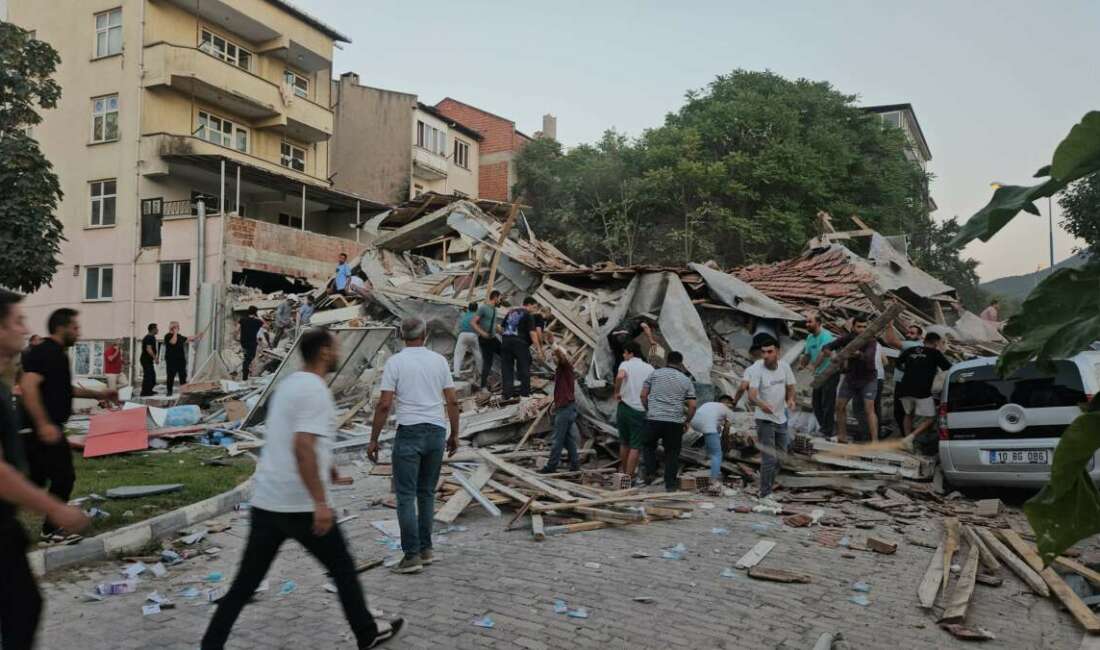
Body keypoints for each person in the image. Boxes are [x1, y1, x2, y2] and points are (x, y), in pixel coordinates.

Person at [201, 329, 403, 649]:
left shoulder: (289, 385)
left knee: (245, 582)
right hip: (301, 507)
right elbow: (302, 446)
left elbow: (297, 439)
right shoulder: (315, 391)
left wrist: (329, 468)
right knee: (342, 567)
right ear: (323, 352)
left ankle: (210, 644)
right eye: (335, 346)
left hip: (267, 502)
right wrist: (320, 502)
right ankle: (366, 632)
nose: (338, 351)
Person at [0, 291, 91, 649]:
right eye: (18, 321)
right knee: (24, 608)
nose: (25, 328)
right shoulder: (42, 355)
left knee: (24, 608)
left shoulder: (12, 377)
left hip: (6, 525)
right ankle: (53, 528)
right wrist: (57, 510)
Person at [368, 317, 460, 575]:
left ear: (400, 334)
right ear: (426, 334)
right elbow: (452, 401)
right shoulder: (439, 361)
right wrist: (455, 434)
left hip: (409, 432)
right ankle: (426, 549)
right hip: (436, 431)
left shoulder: (395, 362)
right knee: (426, 493)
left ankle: (411, 556)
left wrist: (374, 439)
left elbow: (385, 404)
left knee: (406, 496)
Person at [20, 308, 117, 542]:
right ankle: (51, 529)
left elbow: (64, 388)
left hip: (47, 429)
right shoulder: (43, 352)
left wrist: (99, 393)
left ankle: (47, 527)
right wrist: (43, 424)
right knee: (63, 477)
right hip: (41, 429)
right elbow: (29, 386)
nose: (78, 333)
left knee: (35, 480)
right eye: (75, 328)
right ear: (61, 327)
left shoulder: (59, 355)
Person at [746, 338, 796, 500]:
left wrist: (791, 399)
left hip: (781, 418)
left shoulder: (785, 367)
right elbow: (752, 395)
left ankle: (768, 485)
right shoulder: (757, 370)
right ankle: (765, 493)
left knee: (781, 456)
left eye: (770, 352)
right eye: (763, 352)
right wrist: (761, 405)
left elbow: (791, 386)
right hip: (764, 418)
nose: (766, 355)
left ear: (778, 352)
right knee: (769, 457)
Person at [640, 351, 697, 491]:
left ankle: (650, 472)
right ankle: (670, 485)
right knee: (672, 453)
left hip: (654, 418)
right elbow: (693, 405)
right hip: (675, 421)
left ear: (667, 360)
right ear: (680, 363)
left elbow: (643, 395)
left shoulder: (655, 374)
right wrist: (686, 420)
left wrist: (650, 409)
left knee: (648, 445)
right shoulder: (686, 380)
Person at [824, 315, 879, 443]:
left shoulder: (871, 340)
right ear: (853, 327)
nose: (862, 329)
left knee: (869, 409)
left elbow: (869, 357)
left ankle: (875, 441)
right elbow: (827, 347)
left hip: (868, 379)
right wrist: (832, 355)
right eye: (859, 326)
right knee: (839, 406)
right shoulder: (847, 338)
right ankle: (842, 436)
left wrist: (857, 354)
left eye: (865, 327)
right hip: (851, 378)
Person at [896, 332, 953, 454]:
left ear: (924, 340)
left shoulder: (910, 350)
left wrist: (910, 371)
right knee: (930, 418)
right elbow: (948, 368)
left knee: (908, 414)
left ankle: (907, 442)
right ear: (936, 343)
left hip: (904, 388)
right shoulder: (935, 353)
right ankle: (909, 438)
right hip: (922, 390)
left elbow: (898, 363)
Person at [614, 341, 654, 481]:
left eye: (625, 353)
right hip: (640, 409)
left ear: (630, 353)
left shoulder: (626, 364)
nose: (624, 356)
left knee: (624, 443)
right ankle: (629, 477)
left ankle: (623, 474)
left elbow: (620, 376)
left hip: (624, 407)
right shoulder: (649, 368)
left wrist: (616, 392)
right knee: (635, 445)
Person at [538, 346, 580, 474]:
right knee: (568, 439)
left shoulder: (566, 367)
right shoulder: (561, 370)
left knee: (557, 440)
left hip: (565, 409)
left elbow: (562, 358)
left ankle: (551, 466)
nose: (554, 359)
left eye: (555, 356)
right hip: (565, 408)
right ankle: (575, 464)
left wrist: (553, 345)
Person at [799, 313, 837, 438]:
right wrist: (802, 364)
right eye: (806, 322)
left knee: (827, 402)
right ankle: (824, 428)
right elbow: (807, 354)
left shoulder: (825, 335)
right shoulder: (810, 337)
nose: (807, 324)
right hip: (819, 375)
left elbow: (824, 353)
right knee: (816, 403)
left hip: (830, 372)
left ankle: (827, 430)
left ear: (818, 323)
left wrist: (814, 366)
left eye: (810, 322)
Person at [499, 297, 542, 400]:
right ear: (529, 305)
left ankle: (507, 394)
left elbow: (501, 328)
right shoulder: (528, 315)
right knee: (524, 368)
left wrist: (507, 337)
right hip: (520, 344)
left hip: (505, 342)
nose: (535, 310)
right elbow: (532, 333)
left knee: (507, 369)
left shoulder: (510, 312)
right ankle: (524, 394)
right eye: (534, 307)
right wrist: (539, 349)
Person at [689, 394, 736, 482]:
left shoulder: (710, 404)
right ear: (730, 403)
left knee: (714, 430)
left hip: (694, 422)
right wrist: (724, 448)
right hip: (708, 425)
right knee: (717, 454)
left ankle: (707, 454)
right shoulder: (729, 411)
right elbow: (726, 431)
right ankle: (714, 480)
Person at [891, 324, 924, 434]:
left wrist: (889, 324)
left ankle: (907, 437)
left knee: (903, 412)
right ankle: (906, 437)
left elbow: (890, 340)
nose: (908, 335)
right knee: (902, 412)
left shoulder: (912, 345)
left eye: (912, 333)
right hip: (905, 382)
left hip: (906, 383)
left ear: (919, 336)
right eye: (908, 332)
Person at [471, 290, 501, 391]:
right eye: (500, 298)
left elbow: (494, 325)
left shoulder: (495, 310)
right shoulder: (483, 308)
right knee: (488, 362)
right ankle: (483, 386)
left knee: (506, 353)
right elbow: (473, 322)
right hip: (484, 339)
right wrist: (482, 333)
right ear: (495, 298)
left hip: (493, 338)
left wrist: (500, 330)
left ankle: (507, 379)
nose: (500, 301)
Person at [452, 303, 482, 380]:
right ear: (476, 309)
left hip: (463, 334)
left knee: (458, 355)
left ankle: (456, 375)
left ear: (468, 308)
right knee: (477, 354)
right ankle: (481, 373)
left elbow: (458, 326)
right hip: (474, 335)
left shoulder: (464, 315)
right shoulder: (477, 316)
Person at [163, 321, 190, 396]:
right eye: (177, 327)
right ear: (173, 328)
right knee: (170, 376)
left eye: (178, 326)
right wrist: (175, 333)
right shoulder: (167, 336)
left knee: (183, 376)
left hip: (180, 360)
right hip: (171, 360)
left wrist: (197, 336)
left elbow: (188, 339)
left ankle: (184, 391)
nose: (179, 328)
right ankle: (169, 391)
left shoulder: (179, 336)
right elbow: (173, 342)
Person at [237, 306, 263, 381]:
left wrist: (237, 337)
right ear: (255, 312)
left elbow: (236, 329)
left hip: (243, 342)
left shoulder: (242, 320)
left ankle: (247, 373)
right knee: (249, 358)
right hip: (252, 342)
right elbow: (266, 327)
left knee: (246, 357)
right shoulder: (257, 321)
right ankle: (245, 376)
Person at [140, 323, 159, 396]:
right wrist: (155, 358)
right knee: (148, 376)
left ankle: (149, 390)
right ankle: (144, 392)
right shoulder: (148, 337)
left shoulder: (152, 337)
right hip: (145, 360)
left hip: (149, 360)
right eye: (156, 328)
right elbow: (149, 349)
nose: (158, 330)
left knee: (152, 376)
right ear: (153, 329)